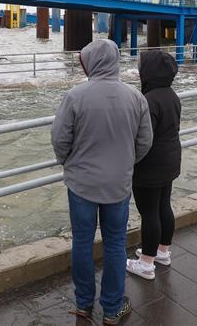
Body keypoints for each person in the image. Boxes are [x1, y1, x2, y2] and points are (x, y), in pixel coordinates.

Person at [52, 39, 153, 325]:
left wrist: (68, 162)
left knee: (82, 243)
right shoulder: (136, 97)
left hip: (81, 184)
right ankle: (111, 308)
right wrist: (125, 163)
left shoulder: (75, 96)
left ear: (91, 62)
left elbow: (60, 140)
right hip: (118, 185)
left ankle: (83, 304)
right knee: (115, 243)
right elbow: (145, 142)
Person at [126, 50, 181, 281]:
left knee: (149, 212)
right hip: (170, 159)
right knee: (163, 206)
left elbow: (143, 136)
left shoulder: (148, 100)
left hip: (150, 164)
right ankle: (162, 251)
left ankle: (146, 263)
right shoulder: (171, 95)